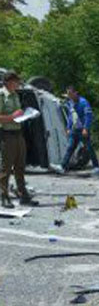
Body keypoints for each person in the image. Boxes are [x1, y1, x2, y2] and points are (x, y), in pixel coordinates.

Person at [0, 71, 35, 207]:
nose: (18, 84)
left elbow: (17, 113)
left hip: (18, 133)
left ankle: (23, 195)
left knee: (20, 166)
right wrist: (12, 117)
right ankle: (4, 197)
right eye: (16, 82)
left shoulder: (15, 95)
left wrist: (25, 115)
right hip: (6, 134)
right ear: (9, 82)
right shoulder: (2, 95)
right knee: (6, 168)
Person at [57, 85, 99, 175]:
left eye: (70, 93)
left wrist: (86, 128)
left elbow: (88, 116)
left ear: (75, 93)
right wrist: (68, 128)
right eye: (68, 94)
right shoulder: (70, 103)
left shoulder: (84, 102)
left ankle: (96, 167)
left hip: (83, 130)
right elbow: (70, 116)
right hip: (74, 130)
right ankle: (62, 166)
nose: (69, 96)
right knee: (70, 147)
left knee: (89, 148)